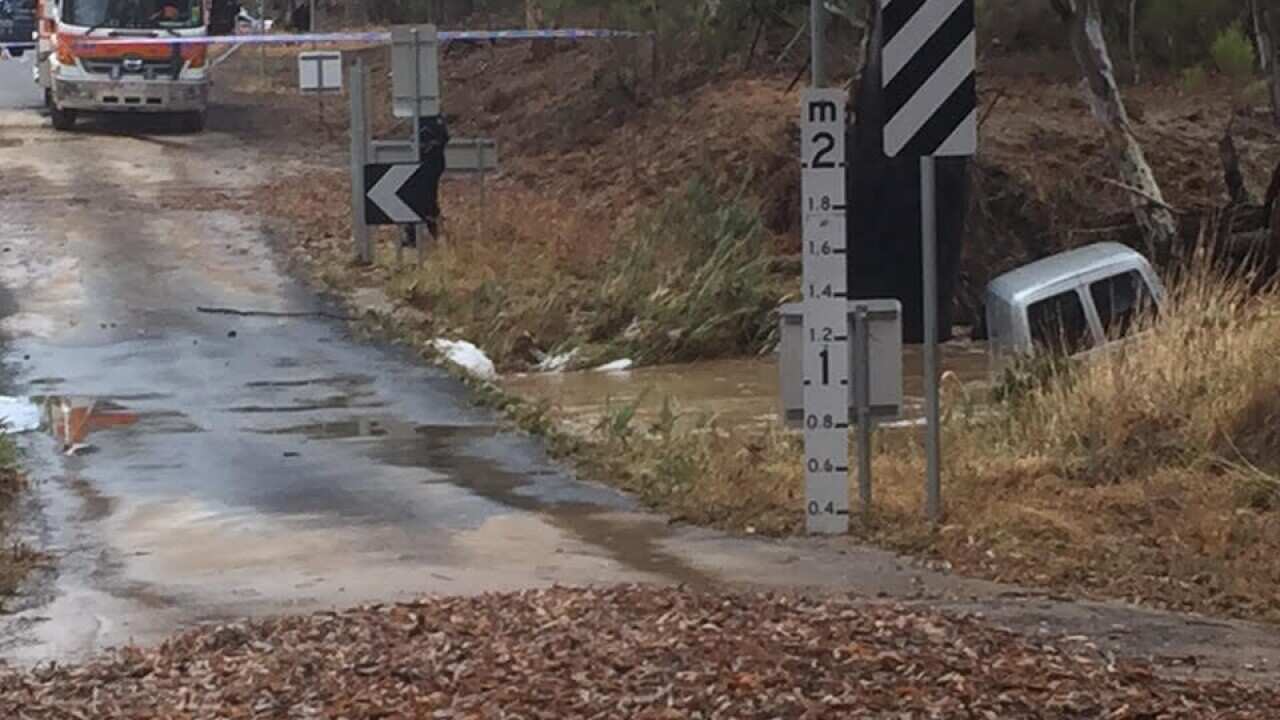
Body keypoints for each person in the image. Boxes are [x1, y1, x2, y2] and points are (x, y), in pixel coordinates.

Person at [402, 115, 450, 248]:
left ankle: (436, 233)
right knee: (411, 197)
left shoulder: (435, 119)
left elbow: (444, 139)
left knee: (428, 200)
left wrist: (428, 145)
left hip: (432, 165)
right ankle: (413, 235)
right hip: (418, 164)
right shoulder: (418, 119)